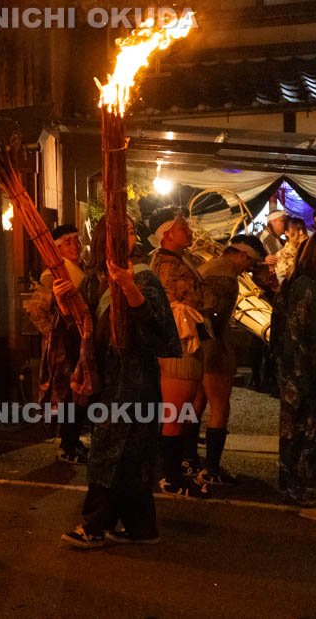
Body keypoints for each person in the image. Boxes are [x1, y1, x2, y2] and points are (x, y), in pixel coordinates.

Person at [60, 218, 182, 548]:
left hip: (135, 382)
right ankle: (142, 528)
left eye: (131, 230)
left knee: (111, 454)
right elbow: (84, 333)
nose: (131, 236)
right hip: (108, 381)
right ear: (105, 238)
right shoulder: (94, 281)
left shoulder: (142, 276)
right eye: (123, 230)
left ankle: (95, 525)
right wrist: (64, 305)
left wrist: (129, 288)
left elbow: (165, 336)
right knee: (128, 457)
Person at [193, 235, 266, 486]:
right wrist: (219, 349)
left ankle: (189, 460)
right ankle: (210, 468)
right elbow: (211, 316)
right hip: (212, 349)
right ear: (243, 255)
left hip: (197, 348)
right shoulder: (225, 277)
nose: (249, 269)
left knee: (196, 404)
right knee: (219, 406)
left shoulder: (211, 266)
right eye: (251, 263)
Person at [147, 209, 210, 498]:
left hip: (185, 339)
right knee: (174, 411)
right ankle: (170, 477)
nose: (190, 230)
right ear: (167, 233)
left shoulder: (177, 260)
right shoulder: (167, 265)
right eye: (183, 226)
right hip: (179, 343)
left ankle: (174, 471)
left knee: (180, 411)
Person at [24, 224, 89, 464]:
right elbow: (37, 311)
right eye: (68, 243)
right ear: (58, 249)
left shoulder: (82, 270)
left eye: (76, 241)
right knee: (67, 394)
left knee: (81, 391)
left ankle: (72, 440)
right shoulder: (53, 275)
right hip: (63, 345)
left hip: (80, 340)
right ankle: (67, 444)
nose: (75, 247)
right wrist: (54, 335)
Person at [271, 236, 316, 504]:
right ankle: (303, 485)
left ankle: (289, 482)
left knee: (291, 426)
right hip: (306, 368)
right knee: (306, 426)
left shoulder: (290, 285)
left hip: (289, 366)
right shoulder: (310, 288)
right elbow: (309, 334)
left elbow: (276, 328)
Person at [274, 216, 308, 284]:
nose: (301, 233)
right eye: (297, 230)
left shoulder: (309, 247)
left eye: (303, 229)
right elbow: (288, 276)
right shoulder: (281, 254)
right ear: (287, 233)